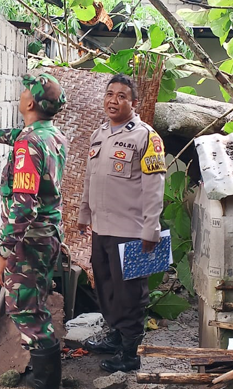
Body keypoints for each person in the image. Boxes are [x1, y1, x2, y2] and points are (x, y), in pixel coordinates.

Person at [0, 73, 67, 389]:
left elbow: (23, 207)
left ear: (29, 103)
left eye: (26, 90)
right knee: (35, 306)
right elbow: (21, 136)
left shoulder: (29, 144)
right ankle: (47, 388)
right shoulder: (51, 134)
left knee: (27, 311)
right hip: (47, 237)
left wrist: (2, 254)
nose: (21, 92)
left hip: (28, 243)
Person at [77, 73, 166, 373]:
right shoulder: (99, 134)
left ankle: (130, 353)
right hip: (102, 229)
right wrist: (84, 214)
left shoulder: (147, 138)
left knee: (130, 294)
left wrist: (151, 228)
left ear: (134, 102)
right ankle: (115, 336)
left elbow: (154, 187)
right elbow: (90, 178)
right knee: (106, 288)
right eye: (109, 94)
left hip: (132, 231)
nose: (113, 100)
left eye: (121, 96)